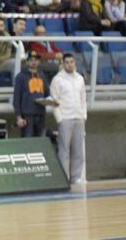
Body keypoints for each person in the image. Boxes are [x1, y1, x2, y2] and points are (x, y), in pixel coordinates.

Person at [50, 54, 87, 184]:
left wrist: (84, 116)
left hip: (78, 117)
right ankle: (64, 177)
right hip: (65, 118)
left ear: (74, 63)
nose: (69, 64)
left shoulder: (80, 79)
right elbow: (54, 101)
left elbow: (83, 99)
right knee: (64, 150)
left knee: (78, 150)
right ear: (63, 64)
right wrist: (59, 118)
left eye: (71, 62)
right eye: (66, 62)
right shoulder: (57, 79)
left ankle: (76, 177)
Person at [13, 50, 50, 138]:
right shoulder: (21, 76)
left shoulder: (42, 75)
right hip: (27, 115)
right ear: (27, 62)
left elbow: (47, 93)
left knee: (40, 141)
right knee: (27, 143)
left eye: (36, 60)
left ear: (39, 62)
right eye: (31, 60)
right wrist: (18, 117)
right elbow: (16, 98)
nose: (34, 62)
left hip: (41, 114)